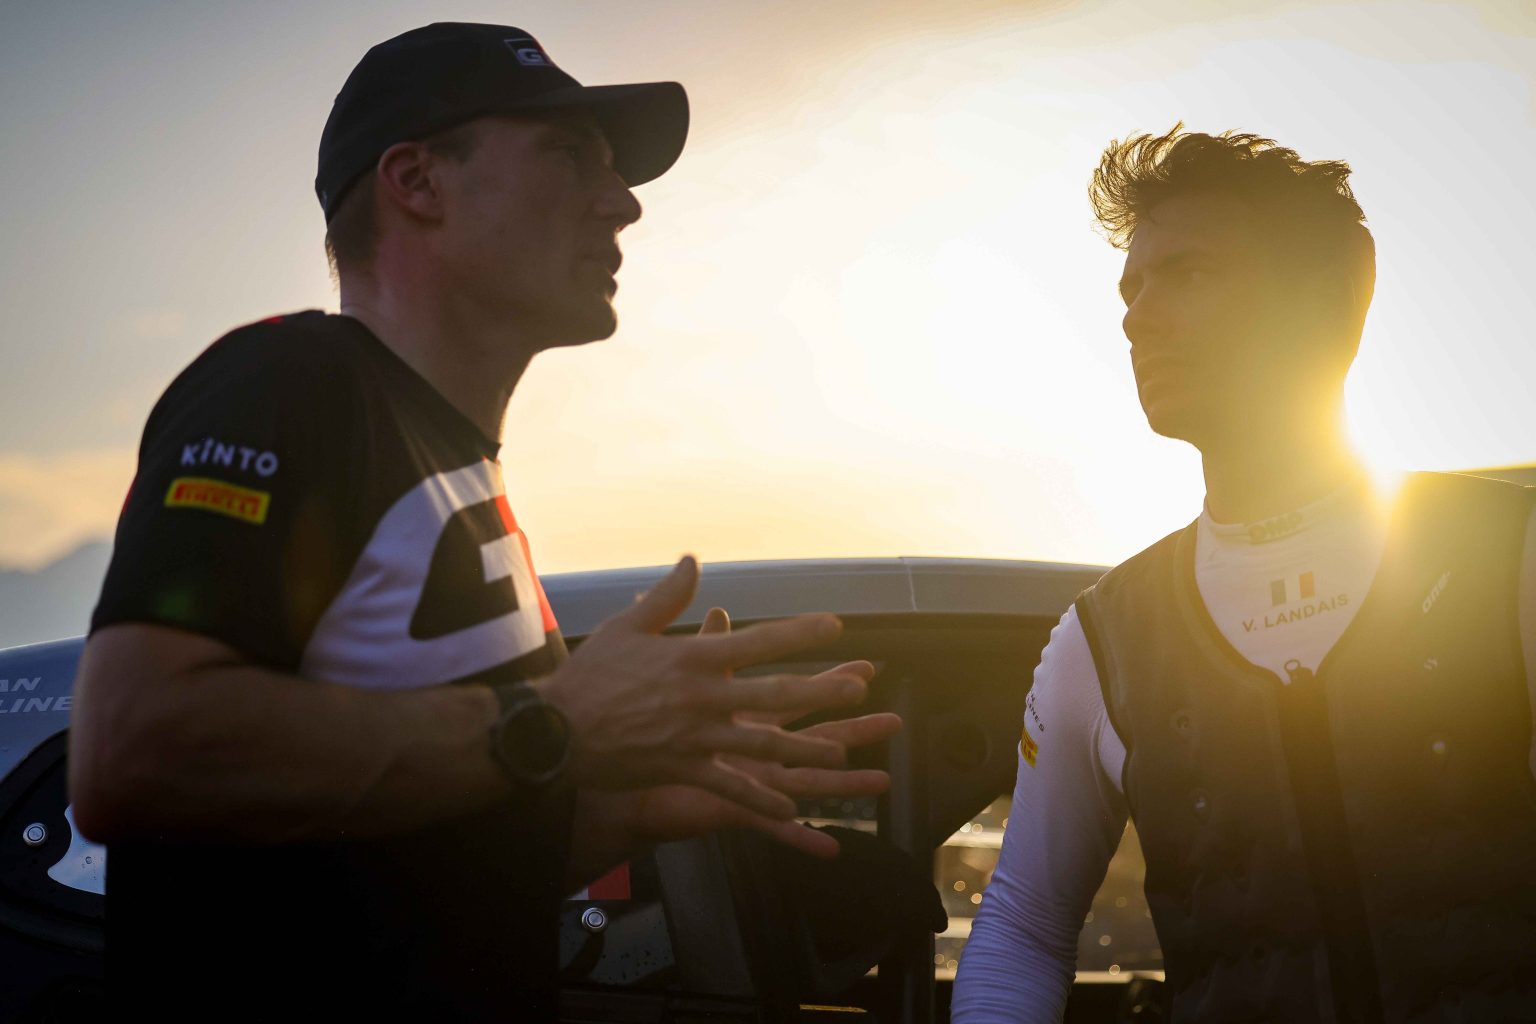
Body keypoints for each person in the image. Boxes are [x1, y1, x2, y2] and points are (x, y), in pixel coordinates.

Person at [68, 22, 899, 1021]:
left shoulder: (455, 464)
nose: (623, 201)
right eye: (570, 155)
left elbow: (412, 872)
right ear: (417, 182)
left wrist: (626, 807)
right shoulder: (291, 383)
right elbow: (131, 749)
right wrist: (554, 725)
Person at [953, 126, 1536, 1022]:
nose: (1135, 317)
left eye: (1187, 274)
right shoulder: (1102, 638)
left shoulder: (1510, 554)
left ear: (1335, 296)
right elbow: (1024, 926)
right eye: (1131, 288)